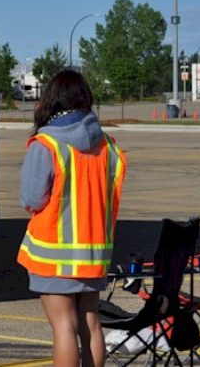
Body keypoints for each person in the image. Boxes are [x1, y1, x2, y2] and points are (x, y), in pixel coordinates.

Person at [16, 70, 126, 367]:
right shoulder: (108, 144)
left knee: (62, 327)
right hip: (94, 254)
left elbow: (31, 199)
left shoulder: (47, 143)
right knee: (90, 324)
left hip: (54, 255)